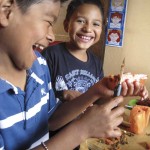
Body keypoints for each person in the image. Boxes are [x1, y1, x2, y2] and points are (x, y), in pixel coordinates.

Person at [0, 0, 148, 150]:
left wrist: (96, 91)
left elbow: (51, 121)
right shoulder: (48, 57)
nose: (51, 36)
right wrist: (81, 130)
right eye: (48, 22)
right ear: (6, 10)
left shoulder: (39, 66)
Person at [42, 0, 105, 102]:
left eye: (96, 24)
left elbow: (99, 97)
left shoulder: (96, 63)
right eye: (80, 21)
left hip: (88, 117)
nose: (88, 29)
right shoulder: (51, 55)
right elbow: (36, 93)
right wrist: (62, 94)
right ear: (67, 25)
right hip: (58, 117)